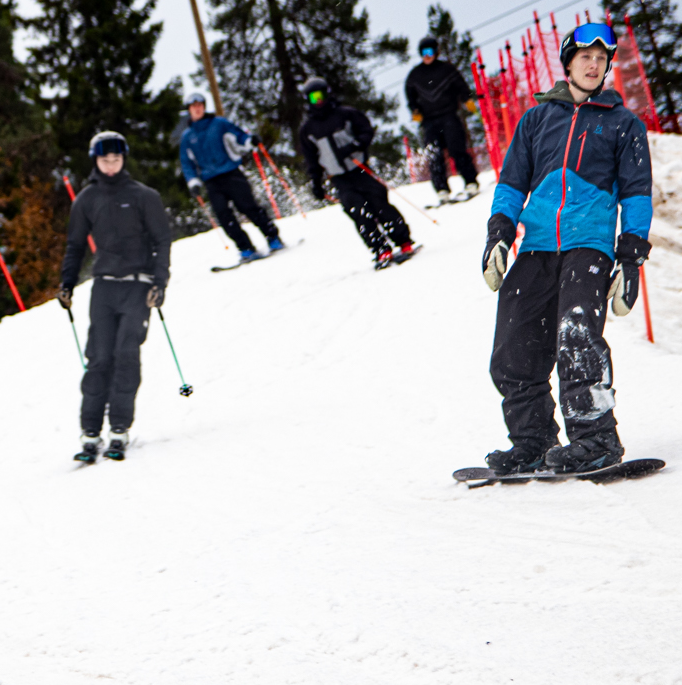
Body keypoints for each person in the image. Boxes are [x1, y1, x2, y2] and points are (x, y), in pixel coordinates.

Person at [479, 22, 653, 475]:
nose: (594, 65)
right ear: (568, 62)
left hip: (589, 246)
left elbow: (636, 192)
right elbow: (512, 182)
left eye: (601, 59)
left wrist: (630, 258)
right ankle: (532, 442)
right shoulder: (536, 120)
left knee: (577, 337)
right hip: (536, 246)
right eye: (585, 57)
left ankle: (595, 439)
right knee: (513, 346)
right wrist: (498, 234)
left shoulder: (624, 124)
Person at [59, 131, 173, 462]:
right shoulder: (87, 199)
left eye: (117, 160)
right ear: (96, 161)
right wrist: (67, 283)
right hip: (104, 288)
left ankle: (119, 430)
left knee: (125, 354)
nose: (111, 166)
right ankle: (90, 434)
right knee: (99, 357)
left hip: (137, 286)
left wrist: (159, 282)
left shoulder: (143, 196)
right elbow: (76, 245)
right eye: (105, 160)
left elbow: (162, 240)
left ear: (124, 160)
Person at [296, 75, 417, 269]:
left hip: (360, 169)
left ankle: (403, 242)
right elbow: (312, 159)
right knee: (359, 211)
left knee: (379, 205)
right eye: (312, 98)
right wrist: (316, 183)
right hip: (339, 178)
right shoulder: (308, 130)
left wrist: (354, 146)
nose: (317, 101)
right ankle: (380, 250)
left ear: (327, 94)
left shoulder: (346, 114)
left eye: (319, 95)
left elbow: (366, 131)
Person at [178, 92, 284, 263]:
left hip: (231, 173)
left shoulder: (219, 124)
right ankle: (246, 248)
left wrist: (250, 141)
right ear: (189, 110)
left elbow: (239, 135)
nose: (197, 109)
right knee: (223, 216)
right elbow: (186, 163)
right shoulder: (187, 137)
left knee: (248, 207)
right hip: (211, 180)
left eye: (200, 105)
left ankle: (273, 237)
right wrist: (193, 181)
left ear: (204, 107)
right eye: (193, 106)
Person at [405, 37, 481, 200]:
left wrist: (467, 99)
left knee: (457, 149)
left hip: (449, 115)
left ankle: (470, 181)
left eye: (430, 51)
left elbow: (461, 86)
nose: (427, 56)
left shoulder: (447, 69)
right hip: (429, 121)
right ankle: (442, 189)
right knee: (434, 155)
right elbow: (410, 96)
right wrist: (414, 110)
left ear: (436, 52)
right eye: (423, 52)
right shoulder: (415, 75)